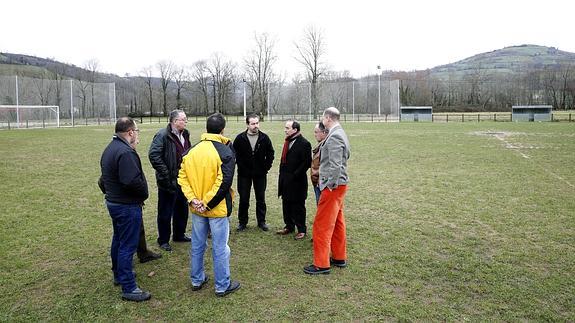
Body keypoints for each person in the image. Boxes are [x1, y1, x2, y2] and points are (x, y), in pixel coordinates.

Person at [178, 113, 241, 297]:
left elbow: (182, 177)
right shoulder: (225, 151)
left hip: (198, 208)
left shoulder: (192, 151)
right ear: (222, 129)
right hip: (216, 209)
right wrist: (206, 203)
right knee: (220, 247)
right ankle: (222, 285)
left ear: (206, 128)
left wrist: (193, 200)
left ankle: (197, 279)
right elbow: (224, 182)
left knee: (198, 245)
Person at [98, 117, 151, 301]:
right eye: (136, 131)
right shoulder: (125, 152)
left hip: (114, 203)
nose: (137, 135)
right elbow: (131, 181)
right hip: (126, 206)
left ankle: (119, 274)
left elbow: (103, 180)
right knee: (127, 245)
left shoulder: (110, 149)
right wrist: (143, 193)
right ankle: (129, 287)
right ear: (130, 132)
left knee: (119, 240)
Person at [304, 107, 351, 275]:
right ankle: (339, 257)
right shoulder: (340, 132)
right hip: (339, 186)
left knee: (322, 225)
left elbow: (336, 165)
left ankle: (321, 264)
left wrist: (328, 186)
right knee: (338, 222)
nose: (322, 120)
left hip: (334, 187)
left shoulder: (335, 135)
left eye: (323, 117)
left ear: (328, 118)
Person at [149, 109, 192, 252]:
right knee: (165, 211)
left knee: (182, 208)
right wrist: (167, 174)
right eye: (183, 119)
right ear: (174, 121)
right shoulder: (162, 135)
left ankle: (179, 235)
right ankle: (163, 240)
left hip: (183, 180)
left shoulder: (185, 134)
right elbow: (154, 156)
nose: (185, 122)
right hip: (168, 181)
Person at [233, 113, 275, 232]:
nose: (256, 126)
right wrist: (241, 166)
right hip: (243, 175)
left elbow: (271, 154)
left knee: (260, 198)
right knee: (244, 199)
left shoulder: (264, 138)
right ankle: (242, 222)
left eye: (257, 123)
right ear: (247, 124)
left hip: (260, 174)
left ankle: (261, 222)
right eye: (253, 123)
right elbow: (234, 154)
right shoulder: (240, 138)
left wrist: (266, 167)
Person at [277, 119, 312, 240]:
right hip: (285, 180)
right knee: (286, 204)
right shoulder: (287, 142)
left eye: (287, 128)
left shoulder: (304, 143)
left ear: (295, 130)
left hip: (297, 182)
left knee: (298, 206)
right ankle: (289, 226)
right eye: (285, 128)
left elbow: (306, 163)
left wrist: (294, 175)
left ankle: (301, 229)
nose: (285, 130)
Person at [311, 121, 329, 205]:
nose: (314, 134)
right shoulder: (320, 146)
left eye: (316, 132)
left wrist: (320, 182)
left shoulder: (326, 147)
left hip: (321, 184)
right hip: (317, 183)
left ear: (324, 132)